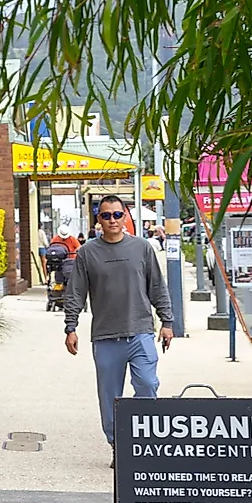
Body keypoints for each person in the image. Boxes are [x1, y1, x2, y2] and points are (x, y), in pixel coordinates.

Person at [64, 193, 175, 460]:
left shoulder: (142, 248)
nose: (112, 220)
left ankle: (143, 440)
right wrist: (71, 326)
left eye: (117, 214)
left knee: (148, 385)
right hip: (105, 337)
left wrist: (167, 321)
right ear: (98, 219)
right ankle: (119, 445)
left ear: (125, 216)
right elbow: (75, 292)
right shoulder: (88, 253)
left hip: (140, 332)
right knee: (110, 396)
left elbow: (157, 286)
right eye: (106, 215)